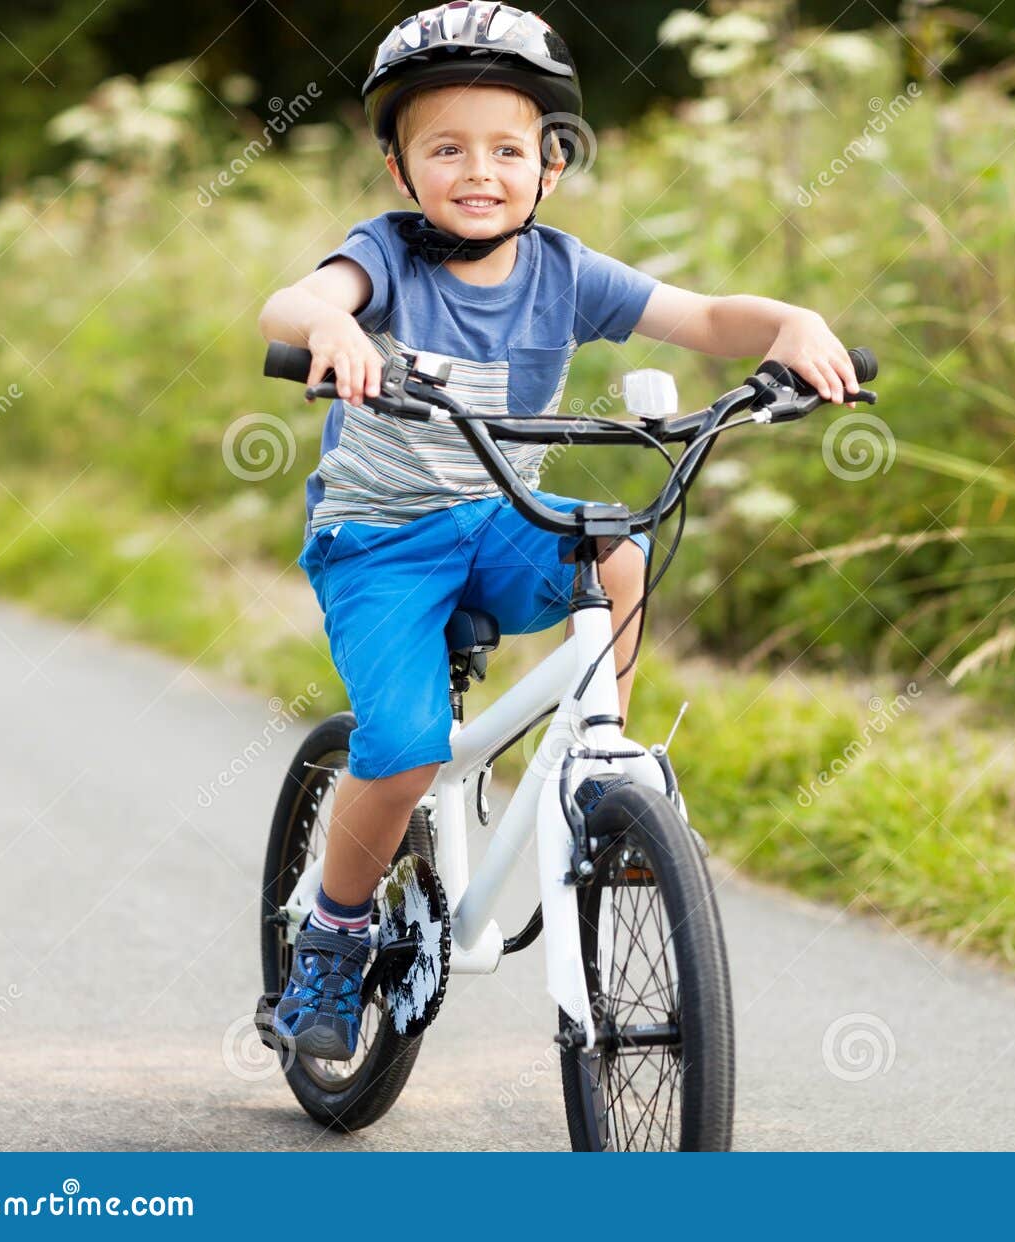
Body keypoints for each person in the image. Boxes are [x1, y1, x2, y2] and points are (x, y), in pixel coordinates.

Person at [258, 1, 861, 1060]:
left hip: (498, 521)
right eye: (445, 148)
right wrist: (334, 328)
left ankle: (606, 768)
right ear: (402, 172)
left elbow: (708, 319)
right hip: (382, 543)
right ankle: (332, 934)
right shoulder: (386, 260)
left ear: (550, 167)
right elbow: (290, 304)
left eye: (507, 149)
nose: (477, 170)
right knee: (401, 750)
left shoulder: (564, 271)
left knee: (617, 550)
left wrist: (787, 327)